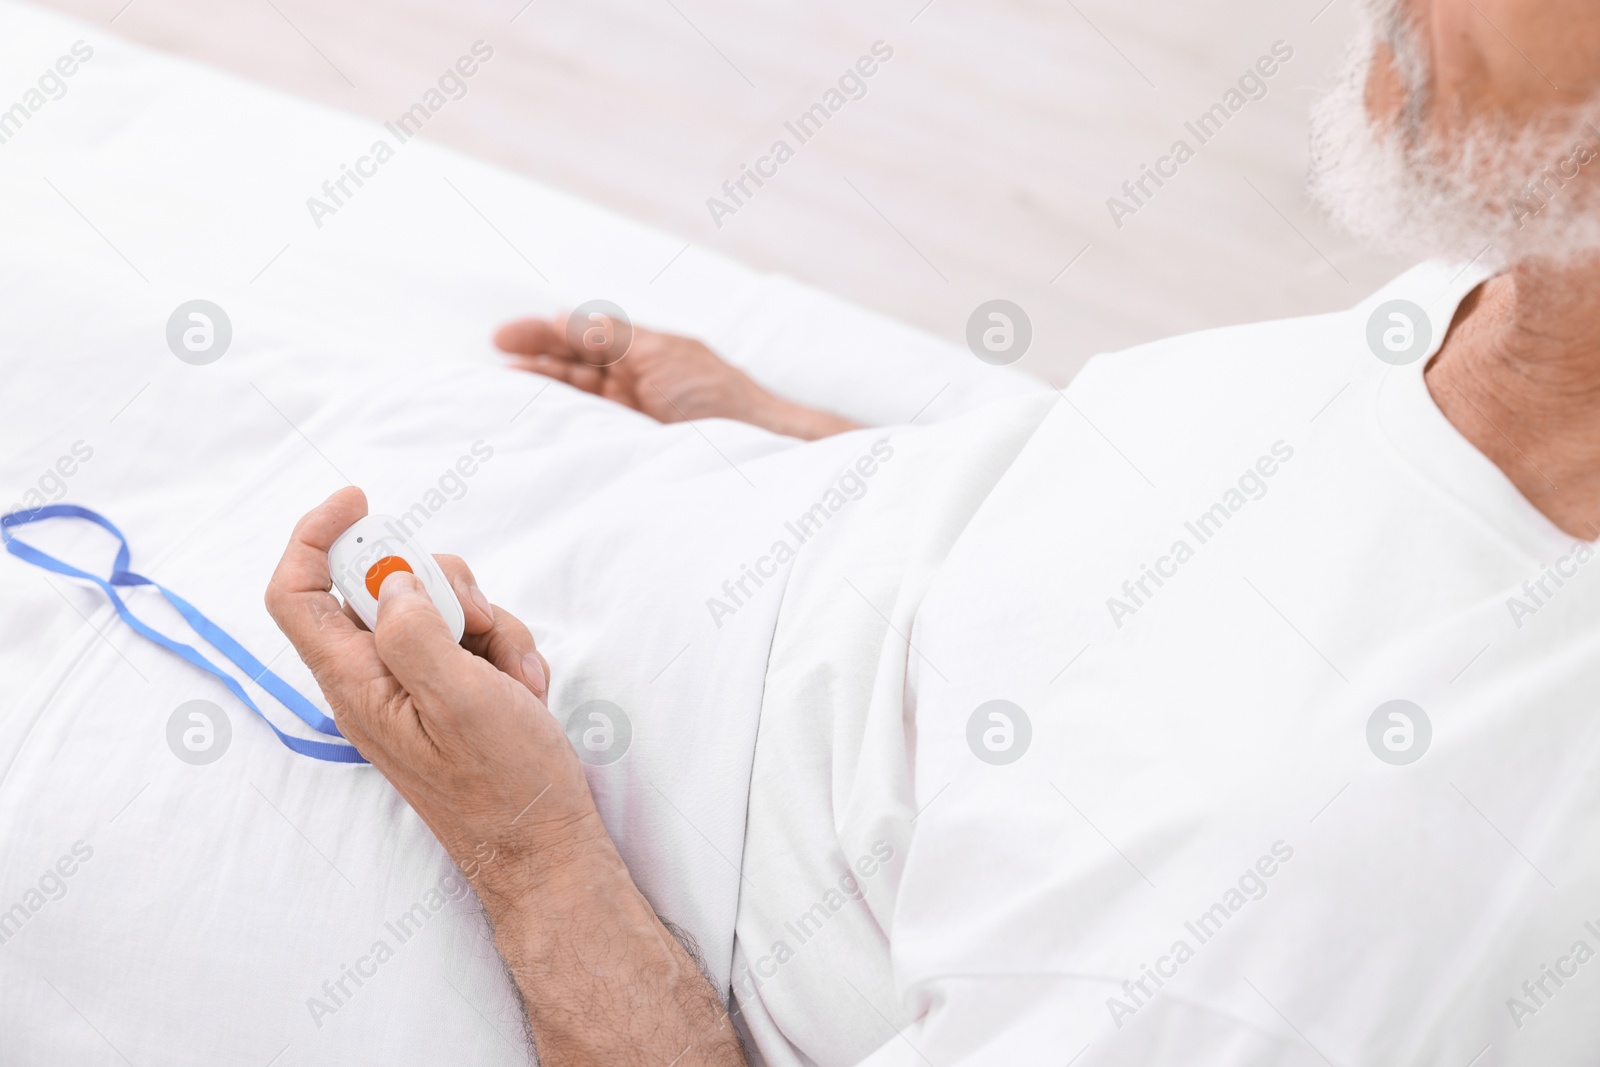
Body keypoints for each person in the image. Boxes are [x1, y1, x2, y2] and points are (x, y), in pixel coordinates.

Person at [265, 0, 1600, 1062]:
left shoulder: (1317, 901)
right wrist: (814, 441)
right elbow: (1182, 602)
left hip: (613, 855)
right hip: (743, 558)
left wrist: (523, 841)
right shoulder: (1521, 272)